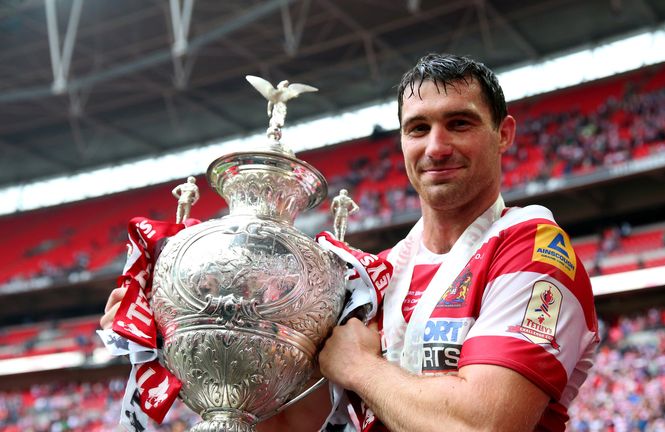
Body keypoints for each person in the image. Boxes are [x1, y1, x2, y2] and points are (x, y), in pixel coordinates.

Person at [102, 53, 598, 431]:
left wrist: (360, 366)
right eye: (417, 129)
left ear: (503, 134)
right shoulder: (376, 275)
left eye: (460, 123)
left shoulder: (530, 250)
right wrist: (174, 335)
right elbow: (293, 421)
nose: (436, 147)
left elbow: (484, 422)